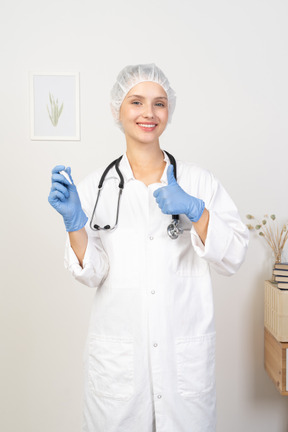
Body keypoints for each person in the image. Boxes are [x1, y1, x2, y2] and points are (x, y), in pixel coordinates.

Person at [48, 63, 249, 432]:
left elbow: (234, 254)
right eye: (136, 102)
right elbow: (92, 273)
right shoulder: (95, 188)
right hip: (119, 368)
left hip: (182, 368)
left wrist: (196, 210)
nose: (148, 113)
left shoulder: (197, 182)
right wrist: (75, 224)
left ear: (169, 110)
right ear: (117, 110)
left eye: (159, 104)